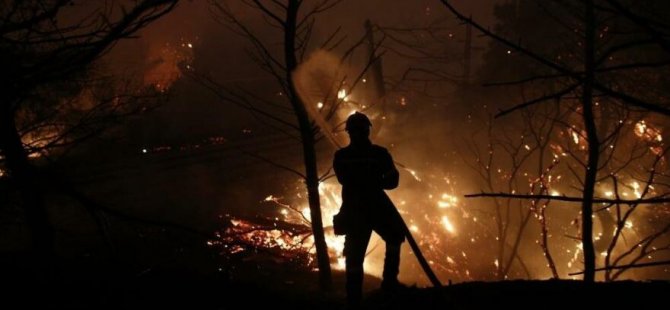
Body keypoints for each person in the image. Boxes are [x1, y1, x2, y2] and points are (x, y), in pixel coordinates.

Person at [333, 112, 406, 307]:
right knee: (389, 239)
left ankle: (378, 289)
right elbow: (391, 179)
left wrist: (374, 180)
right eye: (357, 131)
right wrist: (376, 179)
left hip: (361, 209)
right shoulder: (377, 154)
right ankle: (378, 289)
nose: (358, 134)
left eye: (359, 130)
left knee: (393, 237)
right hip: (369, 208)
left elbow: (392, 179)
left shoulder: (343, 156)